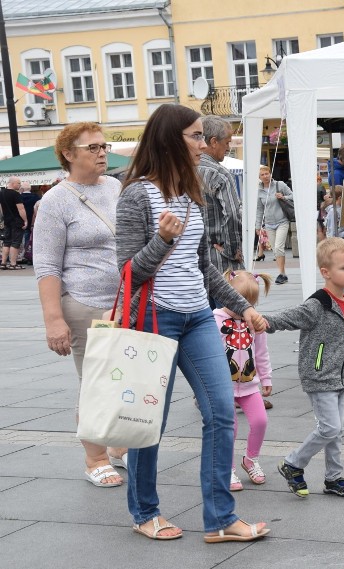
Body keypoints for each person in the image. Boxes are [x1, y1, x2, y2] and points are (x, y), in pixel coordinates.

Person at [115, 103, 269, 543]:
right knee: (150, 422)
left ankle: (221, 519)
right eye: (196, 136)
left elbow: (204, 269)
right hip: (154, 318)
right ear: (170, 140)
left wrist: (242, 308)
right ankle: (146, 512)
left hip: (198, 316)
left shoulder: (191, 193)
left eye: (204, 136)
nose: (205, 144)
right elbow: (126, 274)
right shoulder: (137, 196)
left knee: (222, 413)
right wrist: (161, 240)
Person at [33, 123, 127, 487]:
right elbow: (46, 266)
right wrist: (54, 320)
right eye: (92, 148)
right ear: (69, 154)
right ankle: (95, 457)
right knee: (95, 384)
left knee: (123, 379)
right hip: (84, 304)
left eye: (104, 146)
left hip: (122, 304)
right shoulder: (57, 200)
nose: (102, 153)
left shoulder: (115, 187)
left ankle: (118, 443)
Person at [263, 237, 344, 499]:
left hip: (339, 377)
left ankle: (333, 478)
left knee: (336, 430)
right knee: (329, 428)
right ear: (326, 273)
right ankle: (293, 464)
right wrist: (264, 321)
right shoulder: (317, 305)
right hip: (319, 376)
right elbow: (289, 317)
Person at [213, 270, 273, 492]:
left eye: (249, 304)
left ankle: (250, 460)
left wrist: (266, 377)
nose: (243, 309)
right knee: (231, 427)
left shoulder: (255, 322)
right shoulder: (215, 319)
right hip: (224, 385)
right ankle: (226, 468)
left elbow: (262, 353)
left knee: (260, 421)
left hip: (249, 385)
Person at [198, 116, 243, 275]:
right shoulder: (219, 174)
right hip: (219, 257)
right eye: (227, 142)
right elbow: (232, 214)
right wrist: (233, 250)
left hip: (190, 259)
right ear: (214, 141)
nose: (229, 147)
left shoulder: (180, 172)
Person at [255, 165, 291, 284]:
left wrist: (283, 196)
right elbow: (259, 210)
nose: (265, 176)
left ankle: (281, 274)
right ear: (259, 177)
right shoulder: (258, 191)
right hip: (269, 224)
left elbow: (293, 196)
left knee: (278, 247)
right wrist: (258, 226)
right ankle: (283, 273)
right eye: (262, 175)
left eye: (267, 173)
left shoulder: (279, 185)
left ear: (270, 174)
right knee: (276, 251)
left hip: (282, 221)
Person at [1, 176, 27, 270]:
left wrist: (4, 217)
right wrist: (25, 220)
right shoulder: (16, 195)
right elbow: (21, 209)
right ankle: (13, 264)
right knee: (15, 242)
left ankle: (3, 263)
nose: (20, 185)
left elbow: (1, 208)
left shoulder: (2, 193)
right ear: (12, 183)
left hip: (7, 221)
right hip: (16, 221)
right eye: (18, 183)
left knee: (7, 242)